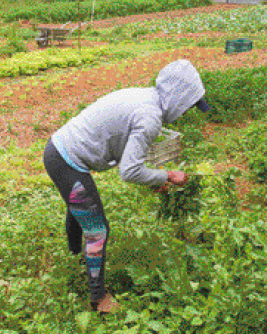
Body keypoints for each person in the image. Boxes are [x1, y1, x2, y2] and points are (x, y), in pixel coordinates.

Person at [43, 59, 209, 314]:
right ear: (178, 97)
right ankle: (98, 300)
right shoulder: (150, 117)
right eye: (189, 105)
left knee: (81, 208)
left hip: (59, 150)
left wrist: (156, 181)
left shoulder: (146, 98)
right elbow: (129, 171)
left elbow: (123, 146)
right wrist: (167, 175)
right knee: (97, 229)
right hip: (66, 160)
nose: (187, 112)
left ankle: (75, 257)